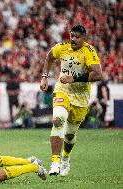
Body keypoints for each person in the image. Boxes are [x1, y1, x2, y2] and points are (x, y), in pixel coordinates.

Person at [40, 25, 102, 176]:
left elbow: (98, 74)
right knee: (59, 119)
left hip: (80, 99)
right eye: (71, 35)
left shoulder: (89, 51)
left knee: (69, 135)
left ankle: (65, 159)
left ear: (84, 38)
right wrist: (44, 77)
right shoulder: (62, 47)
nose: (73, 39)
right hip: (63, 91)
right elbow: (49, 57)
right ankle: (55, 163)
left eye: (77, 37)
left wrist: (73, 79)